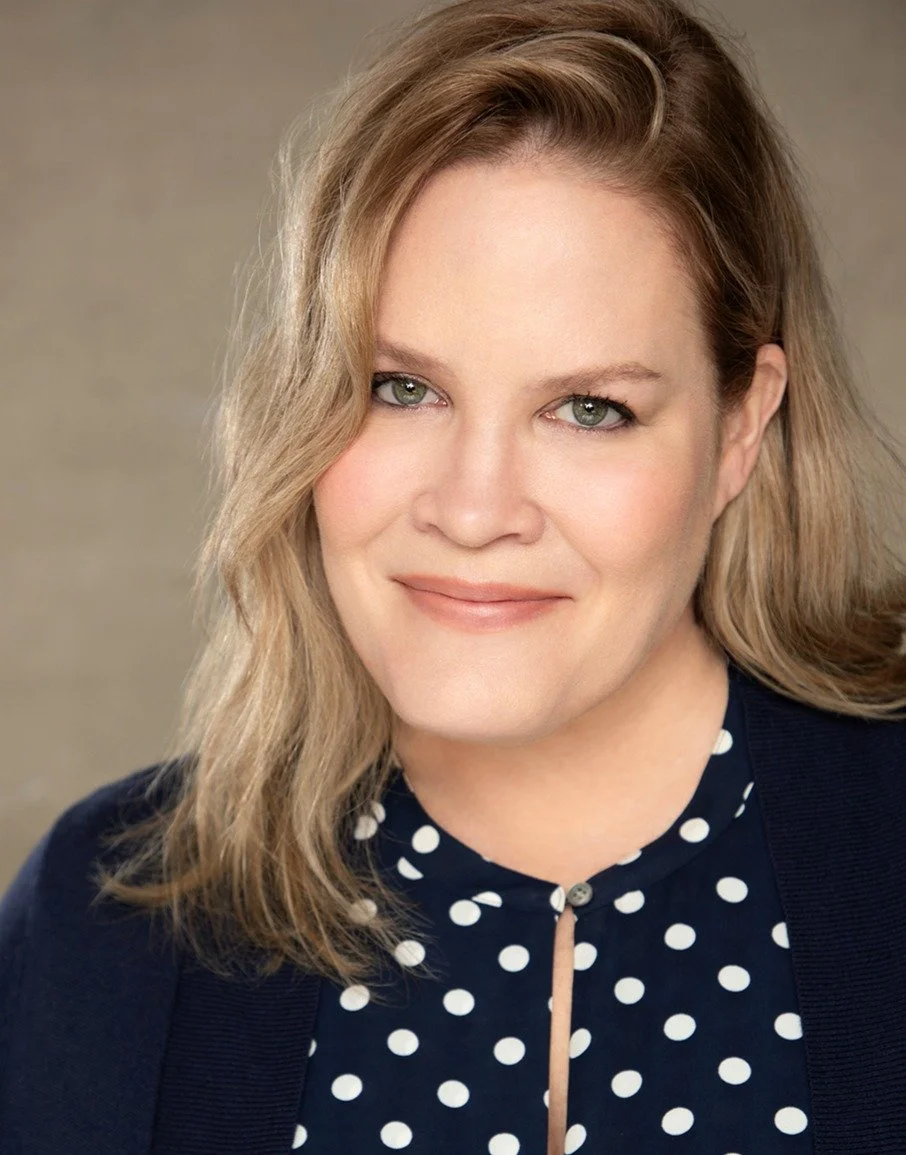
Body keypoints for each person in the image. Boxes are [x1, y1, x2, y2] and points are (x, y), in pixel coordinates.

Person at [2, 0, 905, 1151]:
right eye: (403, 389)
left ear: (740, 427)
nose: (474, 512)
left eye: (589, 409)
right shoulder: (107, 925)